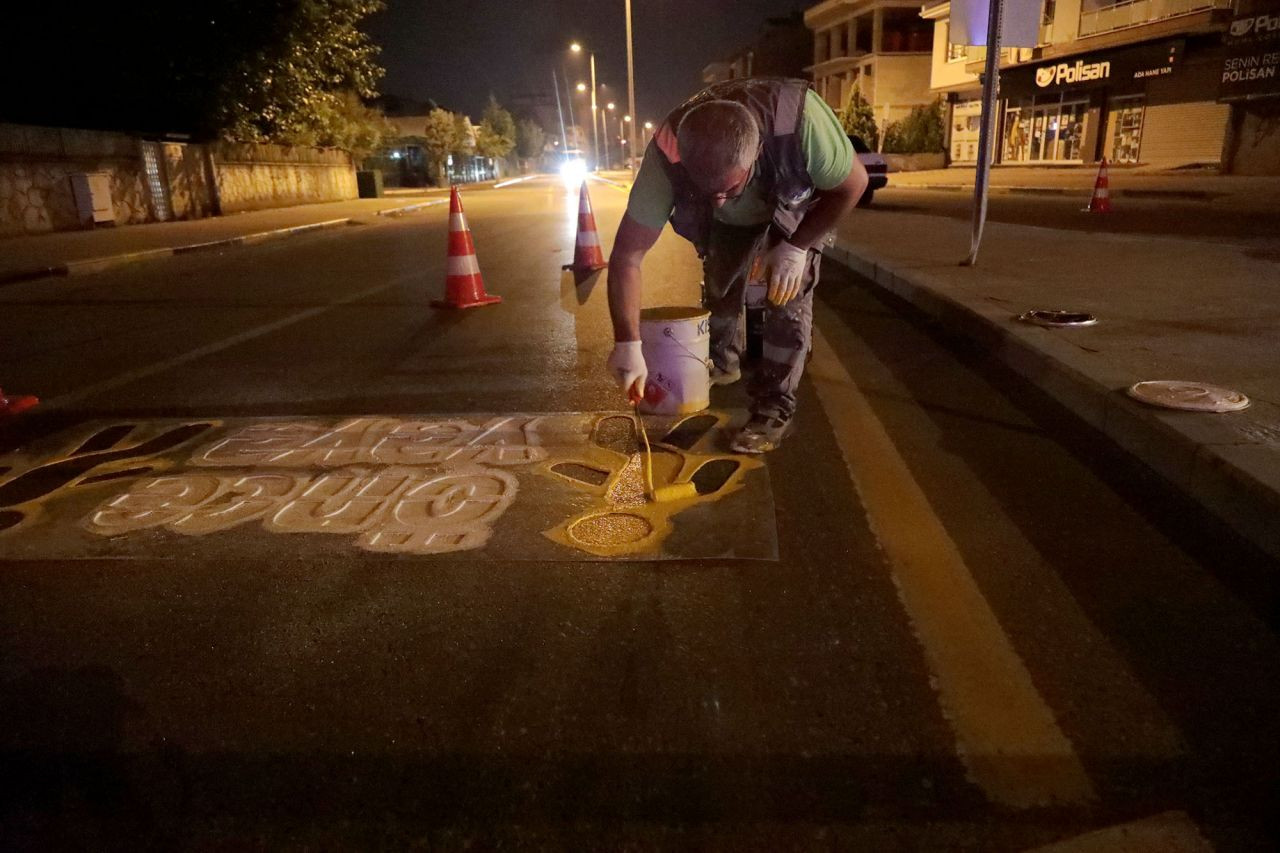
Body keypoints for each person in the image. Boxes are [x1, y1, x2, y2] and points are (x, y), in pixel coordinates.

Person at [605, 78, 867, 453]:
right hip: (731, 228)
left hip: (789, 206)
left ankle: (773, 405)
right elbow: (628, 255)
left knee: (784, 297)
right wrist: (626, 343)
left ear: (757, 152)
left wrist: (797, 246)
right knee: (721, 288)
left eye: (730, 189)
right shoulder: (667, 152)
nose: (721, 202)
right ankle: (723, 363)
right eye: (710, 193)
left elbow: (852, 186)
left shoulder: (801, 123)